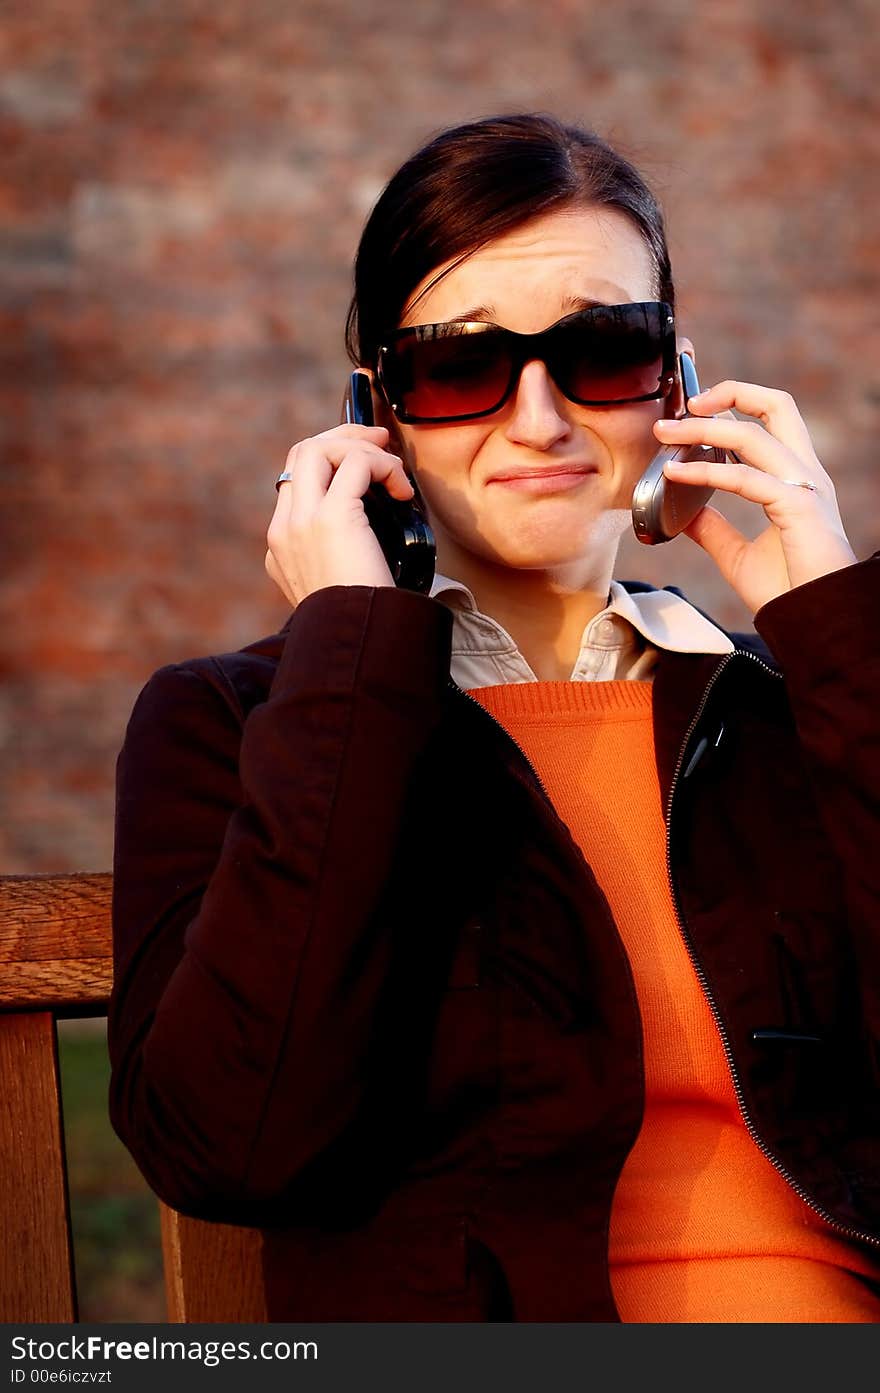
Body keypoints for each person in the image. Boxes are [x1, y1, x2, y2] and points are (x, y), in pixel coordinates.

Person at [107, 112, 880, 1323]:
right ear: (379, 408)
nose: (536, 418)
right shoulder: (248, 721)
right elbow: (230, 1143)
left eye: (602, 349)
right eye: (458, 366)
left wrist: (831, 622)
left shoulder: (794, 706)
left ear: (673, 383)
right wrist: (350, 657)